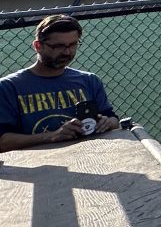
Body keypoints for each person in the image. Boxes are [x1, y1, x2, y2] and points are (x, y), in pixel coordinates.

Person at [0, 15, 119, 152]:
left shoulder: (90, 81)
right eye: (58, 46)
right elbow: (3, 142)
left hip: (89, 158)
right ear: (38, 46)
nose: (67, 52)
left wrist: (107, 123)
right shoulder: (8, 87)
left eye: (73, 44)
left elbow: (113, 119)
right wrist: (52, 136)